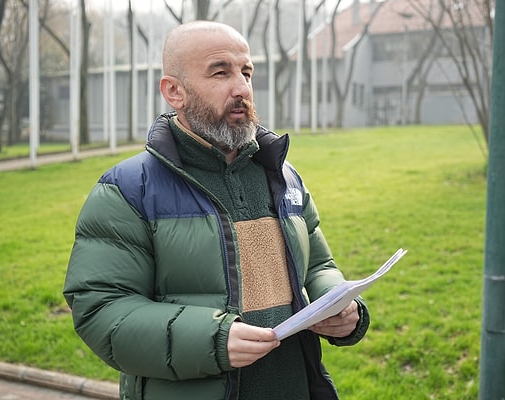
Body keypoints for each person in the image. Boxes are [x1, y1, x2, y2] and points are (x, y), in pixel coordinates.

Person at [63, 20, 370, 400]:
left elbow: (319, 267)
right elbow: (102, 309)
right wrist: (213, 338)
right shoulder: (127, 190)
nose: (241, 88)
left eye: (246, 72)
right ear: (175, 91)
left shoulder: (283, 175)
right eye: (220, 72)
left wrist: (341, 306)